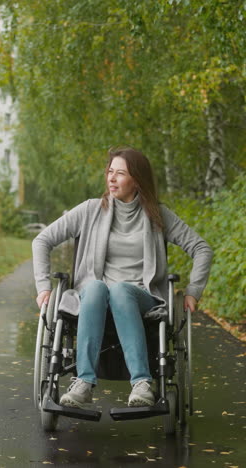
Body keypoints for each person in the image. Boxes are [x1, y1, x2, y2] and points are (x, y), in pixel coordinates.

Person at [32, 146, 213, 409]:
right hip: (94, 296)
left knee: (120, 290)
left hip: (142, 296)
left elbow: (201, 248)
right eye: (110, 172)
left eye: (120, 173)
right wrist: (42, 286)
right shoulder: (90, 210)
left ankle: (141, 383)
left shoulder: (158, 215)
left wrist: (193, 290)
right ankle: (83, 383)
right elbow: (42, 240)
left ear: (137, 180)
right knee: (95, 287)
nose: (112, 178)